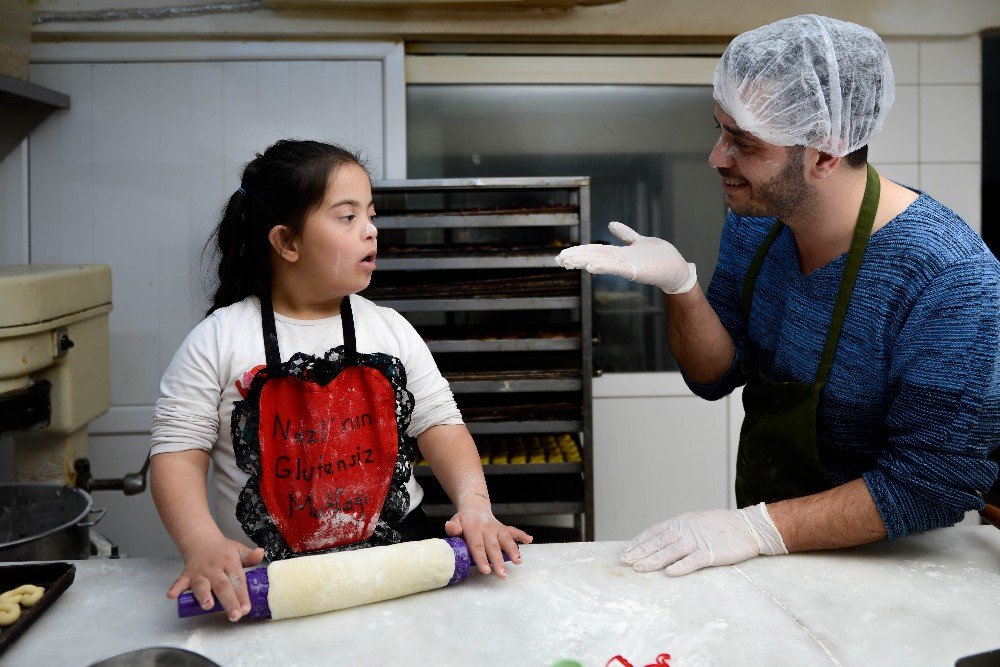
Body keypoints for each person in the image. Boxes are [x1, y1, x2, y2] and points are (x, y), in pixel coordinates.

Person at [558, 15, 1000, 576]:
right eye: (721, 130)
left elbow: (934, 483)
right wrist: (682, 287)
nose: (718, 157)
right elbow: (714, 375)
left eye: (743, 143)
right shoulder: (758, 221)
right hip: (780, 558)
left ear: (824, 154)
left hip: (899, 571)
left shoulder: (949, 277)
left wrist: (756, 528)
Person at [150, 139, 531, 621]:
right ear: (287, 242)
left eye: (369, 215)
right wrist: (202, 542)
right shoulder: (218, 340)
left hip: (397, 562)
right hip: (274, 580)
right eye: (347, 217)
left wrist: (475, 505)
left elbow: (441, 424)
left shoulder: (389, 329)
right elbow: (177, 453)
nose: (370, 230)